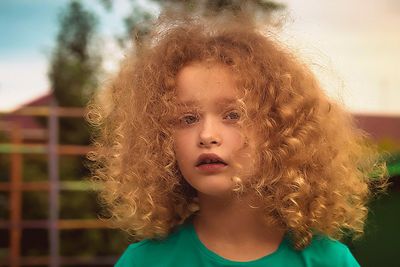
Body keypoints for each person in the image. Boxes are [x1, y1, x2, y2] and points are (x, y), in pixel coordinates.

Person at [87, 11, 386, 267]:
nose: (207, 136)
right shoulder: (144, 262)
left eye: (233, 115)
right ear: (160, 140)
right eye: (188, 119)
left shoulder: (329, 261)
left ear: (279, 128)